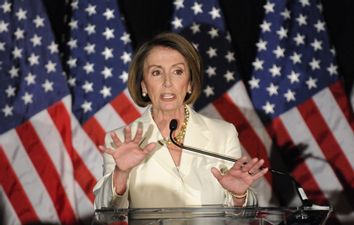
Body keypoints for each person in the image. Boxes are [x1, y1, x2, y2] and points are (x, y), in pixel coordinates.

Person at [93, 32, 268, 209]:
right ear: (144, 85)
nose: (167, 82)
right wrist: (121, 173)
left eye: (177, 71)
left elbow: (240, 216)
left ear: (190, 83)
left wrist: (238, 195)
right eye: (156, 72)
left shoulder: (223, 133)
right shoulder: (120, 140)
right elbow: (105, 211)